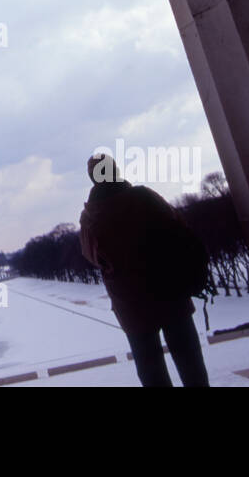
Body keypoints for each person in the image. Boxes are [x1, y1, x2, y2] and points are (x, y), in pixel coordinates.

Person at [78, 154, 210, 387]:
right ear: (116, 170)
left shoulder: (90, 217)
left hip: (131, 304)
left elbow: (92, 257)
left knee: (151, 371)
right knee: (190, 363)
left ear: (92, 178)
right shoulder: (143, 197)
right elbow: (179, 227)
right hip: (170, 290)